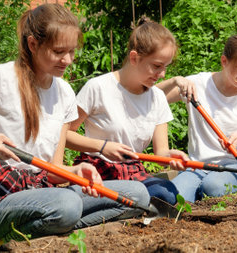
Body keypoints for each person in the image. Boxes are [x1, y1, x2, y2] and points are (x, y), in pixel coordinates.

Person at [0, 4, 149, 250]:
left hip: (44, 194)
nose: (68, 60)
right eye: (59, 51)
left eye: (72, 52)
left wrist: (75, 170)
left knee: (137, 195)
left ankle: (55, 229)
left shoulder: (64, 92)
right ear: (33, 44)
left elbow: (53, 171)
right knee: (66, 205)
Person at [66, 17, 189, 205]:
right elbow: (65, 135)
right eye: (156, 66)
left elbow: (160, 152)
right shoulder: (98, 87)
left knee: (167, 195)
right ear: (134, 58)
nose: (162, 74)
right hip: (97, 171)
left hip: (132, 172)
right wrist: (102, 147)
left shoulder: (157, 97)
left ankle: (121, 204)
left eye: (166, 67)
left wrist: (170, 156)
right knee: (137, 196)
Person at [157, 33, 237, 202]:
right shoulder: (198, 85)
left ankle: (205, 191)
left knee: (213, 186)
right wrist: (175, 81)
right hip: (198, 166)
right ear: (224, 61)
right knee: (173, 197)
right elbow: (151, 98)